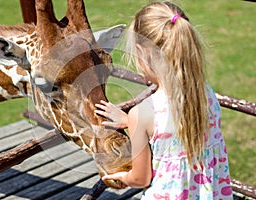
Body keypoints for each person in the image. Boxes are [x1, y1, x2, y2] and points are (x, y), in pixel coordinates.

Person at [94, 1, 233, 199]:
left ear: (143, 53)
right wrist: (130, 123)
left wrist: (123, 177)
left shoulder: (143, 113)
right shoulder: (205, 94)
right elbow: (179, 127)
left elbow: (141, 179)